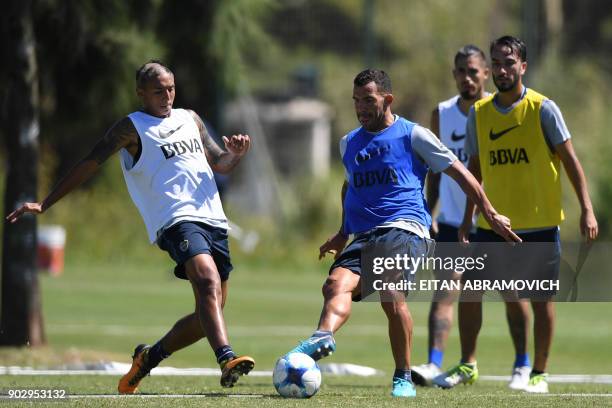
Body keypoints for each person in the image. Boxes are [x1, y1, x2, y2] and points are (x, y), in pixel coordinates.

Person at [5, 60, 256, 394]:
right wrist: (46, 202)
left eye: (171, 89)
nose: (167, 96)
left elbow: (219, 163)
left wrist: (235, 155)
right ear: (141, 94)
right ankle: (226, 358)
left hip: (213, 219)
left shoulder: (190, 118)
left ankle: (148, 358)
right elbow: (88, 164)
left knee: (208, 314)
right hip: (175, 220)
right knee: (208, 281)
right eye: (158, 91)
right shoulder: (132, 127)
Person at [283, 68, 520, 398]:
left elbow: (461, 172)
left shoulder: (414, 135)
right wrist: (342, 232)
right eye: (356, 101)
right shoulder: (348, 143)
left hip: (406, 228)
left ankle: (403, 376)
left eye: (368, 100)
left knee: (390, 292)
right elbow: (349, 187)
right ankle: (323, 335)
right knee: (335, 285)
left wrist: (488, 212)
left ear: (387, 99)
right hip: (364, 234)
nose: (361, 107)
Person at [433, 36, 598, 393]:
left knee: (539, 302)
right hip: (493, 225)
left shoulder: (543, 109)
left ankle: (537, 372)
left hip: (538, 224)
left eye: (510, 63)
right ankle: (467, 364)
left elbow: (570, 161)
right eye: (498, 63)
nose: (503, 70)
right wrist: (467, 219)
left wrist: (586, 208)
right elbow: (475, 170)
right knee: (472, 292)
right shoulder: (480, 113)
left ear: (523, 66)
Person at [411, 44, 492, 386]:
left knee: (514, 295)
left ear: (485, 73)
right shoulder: (441, 113)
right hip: (451, 222)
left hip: (492, 221)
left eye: (473, 71)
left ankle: (525, 366)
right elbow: (434, 168)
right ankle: (433, 363)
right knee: (445, 291)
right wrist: (429, 211)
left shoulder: (496, 111)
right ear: (454, 75)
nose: (467, 77)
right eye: (461, 71)